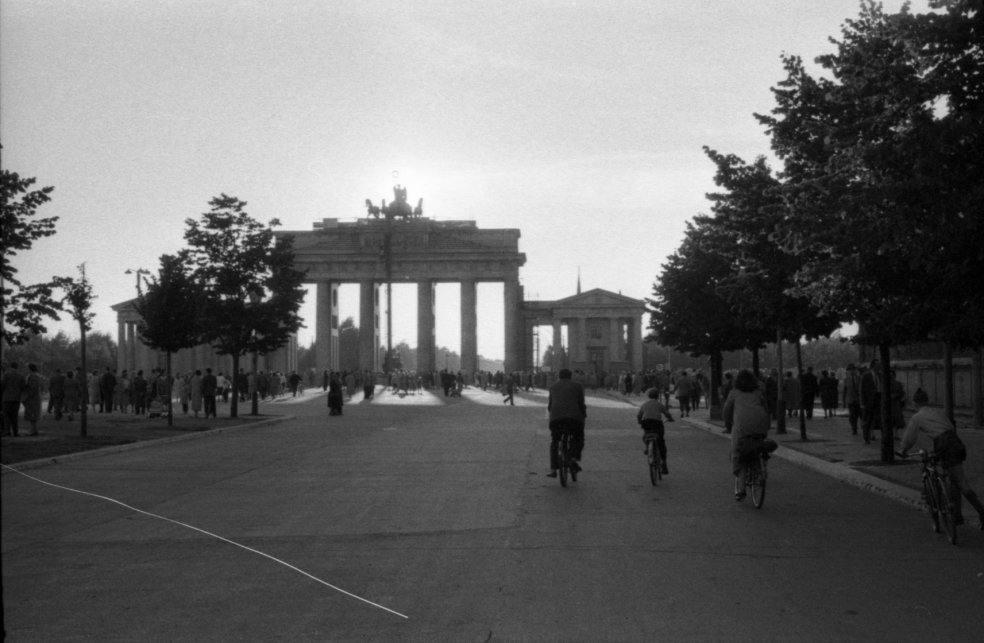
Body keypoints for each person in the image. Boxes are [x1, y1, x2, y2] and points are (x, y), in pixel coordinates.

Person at [899, 389, 984, 530]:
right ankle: (957, 515)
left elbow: (910, 439)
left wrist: (903, 450)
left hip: (944, 445)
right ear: (927, 401)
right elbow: (950, 427)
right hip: (956, 442)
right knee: (956, 479)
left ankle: (979, 512)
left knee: (960, 482)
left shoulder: (917, 417)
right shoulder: (938, 412)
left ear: (914, 403)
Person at [723, 369, 773, 501]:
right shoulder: (758, 393)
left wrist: (728, 426)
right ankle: (760, 467)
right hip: (760, 423)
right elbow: (766, 410)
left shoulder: (734, 393)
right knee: (756, 445)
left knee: (738, 454)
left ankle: (741, 489)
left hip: (741, 427)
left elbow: (727, 410)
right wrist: (766, 426)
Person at [547, 368, 586, 478]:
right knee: (578, 437)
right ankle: (573, 459)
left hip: (556, 420)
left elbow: (550, 406)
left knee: (555, 441)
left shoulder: (553, 387)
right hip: (574, 419)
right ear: (571, 376)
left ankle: (553, 469)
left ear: (559, 376)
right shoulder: (578, 386)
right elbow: (581, 404)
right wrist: (583, 415)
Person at [637, 388, 674, 474]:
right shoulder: (659, 404)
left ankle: (647, 447)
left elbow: (639, 415)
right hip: (657, 423)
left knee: (646, 435)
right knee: (661, 442)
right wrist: (670, 418)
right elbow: (667, 413)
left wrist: (640, 422)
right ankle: (664, 463)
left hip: (646, 423)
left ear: (649, 396)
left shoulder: (644, 404)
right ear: (657, 396)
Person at [859, 359, 882, 444]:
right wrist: (862, 403)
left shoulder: (880, 375)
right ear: (873, 366)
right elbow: (862, 390)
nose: (879, 366)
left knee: (879, 419)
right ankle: (866, 437)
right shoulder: (866, 376)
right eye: (878, 365)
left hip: (879, 399)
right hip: (869, 401)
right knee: (867, 420)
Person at [2, 361, 26, 436]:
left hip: (7, 397)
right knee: (14, 415)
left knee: (6, 415)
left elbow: (2, 385)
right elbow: (23, 387)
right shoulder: (21, 375)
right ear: (17, 367)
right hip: (16, 398)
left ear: (11, 366)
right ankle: (15, 432)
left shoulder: (6, 374)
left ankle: (7, 431)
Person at [22, 363, 43, 436]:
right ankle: (34, 429)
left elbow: (32, 388)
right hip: (37, 397)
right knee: (34, 414)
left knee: (32, 414)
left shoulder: (32, 376)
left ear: (30, 368)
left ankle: (32, 430)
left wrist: (27, 397)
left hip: (32, 398)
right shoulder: (38, 376)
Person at [841, 363, 861, 434]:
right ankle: (854, 428)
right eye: (850, 370)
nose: (852, 371)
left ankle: (861, 427)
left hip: (859, 400)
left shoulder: (859, 378)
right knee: (852, 415)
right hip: (850, 400)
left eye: (853, 369)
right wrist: (843, 401)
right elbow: (844, 391)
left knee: (859, 415)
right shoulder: (846, 380)